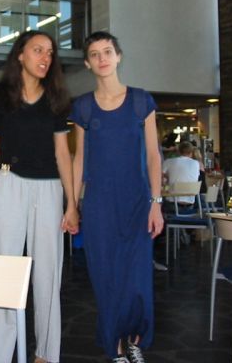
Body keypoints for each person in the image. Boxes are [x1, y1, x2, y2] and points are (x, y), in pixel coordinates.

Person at [0, 30, 79, 363]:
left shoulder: (56, 98)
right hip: (7, 183)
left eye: (50, 52)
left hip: (49, 188)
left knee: (48, 274)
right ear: (20, 55)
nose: (45, 57)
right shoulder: (0, 97)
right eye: (38, 50)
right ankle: (1, 356)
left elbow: (63, 153)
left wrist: (71, 203)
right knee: (2, 272)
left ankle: (46, 355)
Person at [70, 31, 164, 363]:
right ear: (87, 63)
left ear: (118, 56)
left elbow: (153, 156)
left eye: (107, 51)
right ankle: (117, 347)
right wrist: (72, 205)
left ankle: (135, 338)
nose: (102, 59)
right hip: (99, 206)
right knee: (106, 277)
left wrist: (156, 203)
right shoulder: (83, 107)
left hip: (138, 203)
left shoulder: (141, 101)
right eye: (95, 54)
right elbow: (79, 160)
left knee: (137, 279)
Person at [162, 141, 200, 205]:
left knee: (155, 200)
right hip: (190, 204)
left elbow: (159, 177)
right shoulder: (196, 163)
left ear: (178, 151)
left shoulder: (168, 161)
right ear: (191, 152)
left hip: (172, 203)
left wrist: (167, 179)